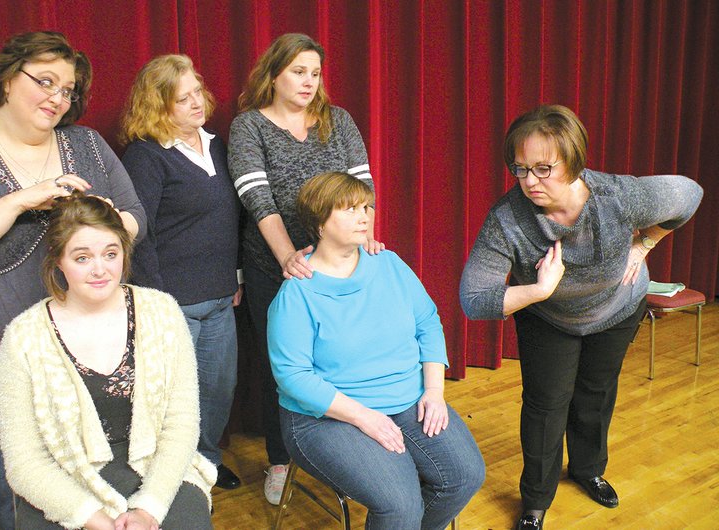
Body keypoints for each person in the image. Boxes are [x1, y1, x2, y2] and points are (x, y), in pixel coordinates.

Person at [0, 31, 146, 529]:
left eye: (67, 90)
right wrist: (21, 199)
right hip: (11, 363)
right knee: (32, 501)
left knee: (110, 488)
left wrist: (109, 221)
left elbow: (135, 218)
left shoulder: (86, 144)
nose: (59, 98)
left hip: (101, 355)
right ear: (4, 80)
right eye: (45, 81)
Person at [459, 105, 703, 530]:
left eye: (542, 168)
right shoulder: (507, 219)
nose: (529, 182)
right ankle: (535, 501)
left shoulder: (617, 197)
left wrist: (645, 244)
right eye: (520, 169)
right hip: (549, 316)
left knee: (595, 392)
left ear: (573, 162)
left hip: (617, 308)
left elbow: (690, 194)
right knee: (545, 406)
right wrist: (538, 290)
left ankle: (588, 469)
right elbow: (473, 299)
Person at [268, 172, 485, 528]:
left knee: (464, 475)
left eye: (367, 207)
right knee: (400, 503)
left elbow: (428, 322)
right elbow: (294, 377)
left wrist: (433, 392)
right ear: (319, 222)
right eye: (350, 209)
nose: (364, 216)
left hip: (406, 398)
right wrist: (362, 417)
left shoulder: (388, 264)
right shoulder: (297, 294)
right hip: (326, 418)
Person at [0, 193, 215, 529]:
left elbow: (181, 424)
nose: (100, 269)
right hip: (64, 477)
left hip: (155, 466)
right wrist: (89, 516)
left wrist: (149, 508)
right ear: (58, 261)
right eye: (82, 258)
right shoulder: (22, 338)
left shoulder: (162, 311)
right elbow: (24, 462)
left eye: (110, 254)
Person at [228, 32, 384, 504]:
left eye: (315, 73)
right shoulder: (249, 127)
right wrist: (287, 258)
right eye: (298, 71)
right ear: (273, 74)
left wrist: (364, 235)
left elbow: (363, 186)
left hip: (338, 264)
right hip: (273, 267)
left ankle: (342, 453)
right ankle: (281, 460)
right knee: (285, 368)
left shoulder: (338, 121)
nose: (308, 81)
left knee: (340, 360)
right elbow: (257, 197)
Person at [119, 54, 243, 491]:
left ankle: (206, 462)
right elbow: (138, 234)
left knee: (215, 391)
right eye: (182, 98)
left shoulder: (217, 144)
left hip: (220, 295)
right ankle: (173, 476)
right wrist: (157, 302)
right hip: (172, 303)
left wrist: (237, 277)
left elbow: (233, 219)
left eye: (197, 92)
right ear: (158, 107)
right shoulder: (145, 157)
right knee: (173, 400)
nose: (197, 103)